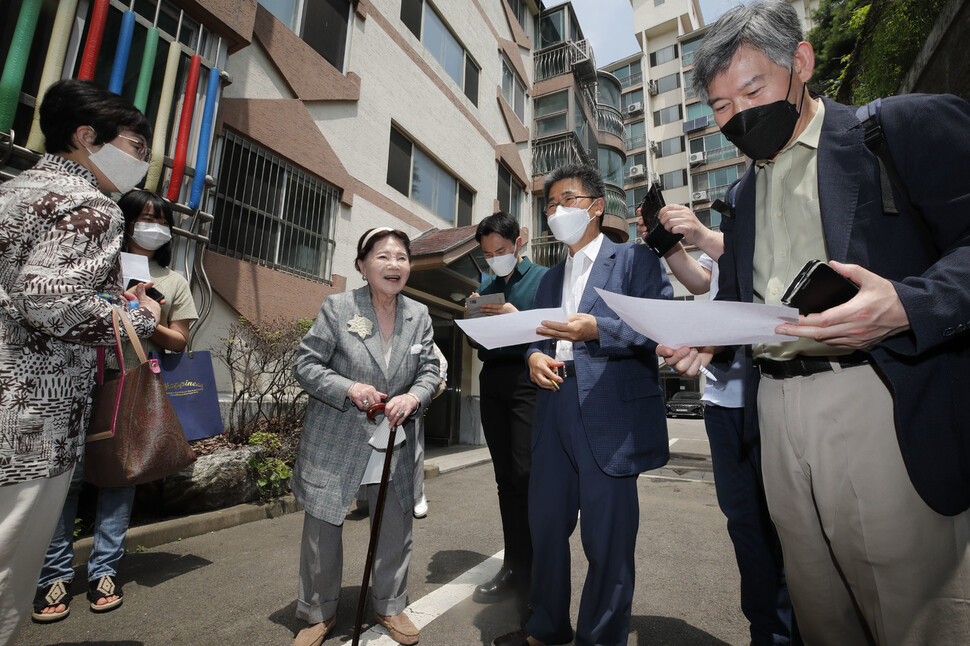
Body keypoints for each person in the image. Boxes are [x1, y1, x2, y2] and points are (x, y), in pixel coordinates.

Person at [657, 2, 970, 644]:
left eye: (753, 89)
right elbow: (749, 308)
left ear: (801, 63)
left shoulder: (896, 130)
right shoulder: (740, 197)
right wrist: (710, 339)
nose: (739, 116)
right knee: (819, 608)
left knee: (914, 612)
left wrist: (910, 304)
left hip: (878, 395)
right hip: (771, 413)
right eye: (720, 107)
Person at [0, 79, 159, 645]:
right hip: (30, 420)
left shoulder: (16, 191)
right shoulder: (91, 206)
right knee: (7, 573)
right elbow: (49, 300)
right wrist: (136, 318)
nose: (142, 163)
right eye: (137, 147)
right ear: (87, 137)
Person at [495, 164, 672, 646]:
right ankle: (547, 627)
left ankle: (600, 638)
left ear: (595, 207)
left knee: (607, 538)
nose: (555, 211)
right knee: (546, 525)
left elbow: (661, 327)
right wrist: (533, 356)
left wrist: (599, 330)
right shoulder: (550, 280)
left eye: (566, 200)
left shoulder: (635, 260)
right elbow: (539, 336)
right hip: (553, 405)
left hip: (609, 405)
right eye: (549, 205)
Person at [32, 190, 198, 622]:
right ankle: (54, 576)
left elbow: (180, 342)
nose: (153, 225)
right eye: (144, 216)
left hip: (127, 386)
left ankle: (105, 571)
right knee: (64, 478)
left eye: (160, 219)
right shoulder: (93, 264)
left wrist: (147, 315)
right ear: (122, 219)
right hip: (71, 383)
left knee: (120, 475)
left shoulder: (172, 279)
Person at [641, 205, 796, 645]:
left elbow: (763, 265)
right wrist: (668, 243)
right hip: (723, 397)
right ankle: (766, 631)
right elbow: (701, 281)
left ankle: (800, 630)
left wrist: (703, 234)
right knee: (745, 523)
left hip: (772, 384)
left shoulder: (764, 200)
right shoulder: (734, 203)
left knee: (790, 523)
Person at [290, 227, 439, 646]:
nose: (394, 266)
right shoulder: (338, 308)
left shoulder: (420, 315)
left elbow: (430, 370)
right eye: (383, 257)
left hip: (395, 438)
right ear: (361, 265)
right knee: (322, 528)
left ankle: (390, 605)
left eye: (402, 258)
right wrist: (349, 388)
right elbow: (306, 364)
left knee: (394, 526)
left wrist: (413, 396)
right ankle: (318, 614)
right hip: (337, 437)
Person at [465, 212, 548, 611]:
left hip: (527, 382)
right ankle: (514, 566)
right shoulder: (484, 286)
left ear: (519, 243)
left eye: (500, 250)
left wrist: (522, 321)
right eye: (487, 253)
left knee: (526, 474)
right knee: (504, 479)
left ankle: (536, 569)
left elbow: (555, 330)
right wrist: (475, 321)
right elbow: (482, 348)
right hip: (493, 380)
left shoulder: (544, 279)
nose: (494, 258)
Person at [412, 341, 447, 518]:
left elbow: (440, 363)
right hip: (376, 397)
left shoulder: (417, 324)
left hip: (410, 398)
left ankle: (417, 495)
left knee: (414, 451)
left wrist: (423, 392)